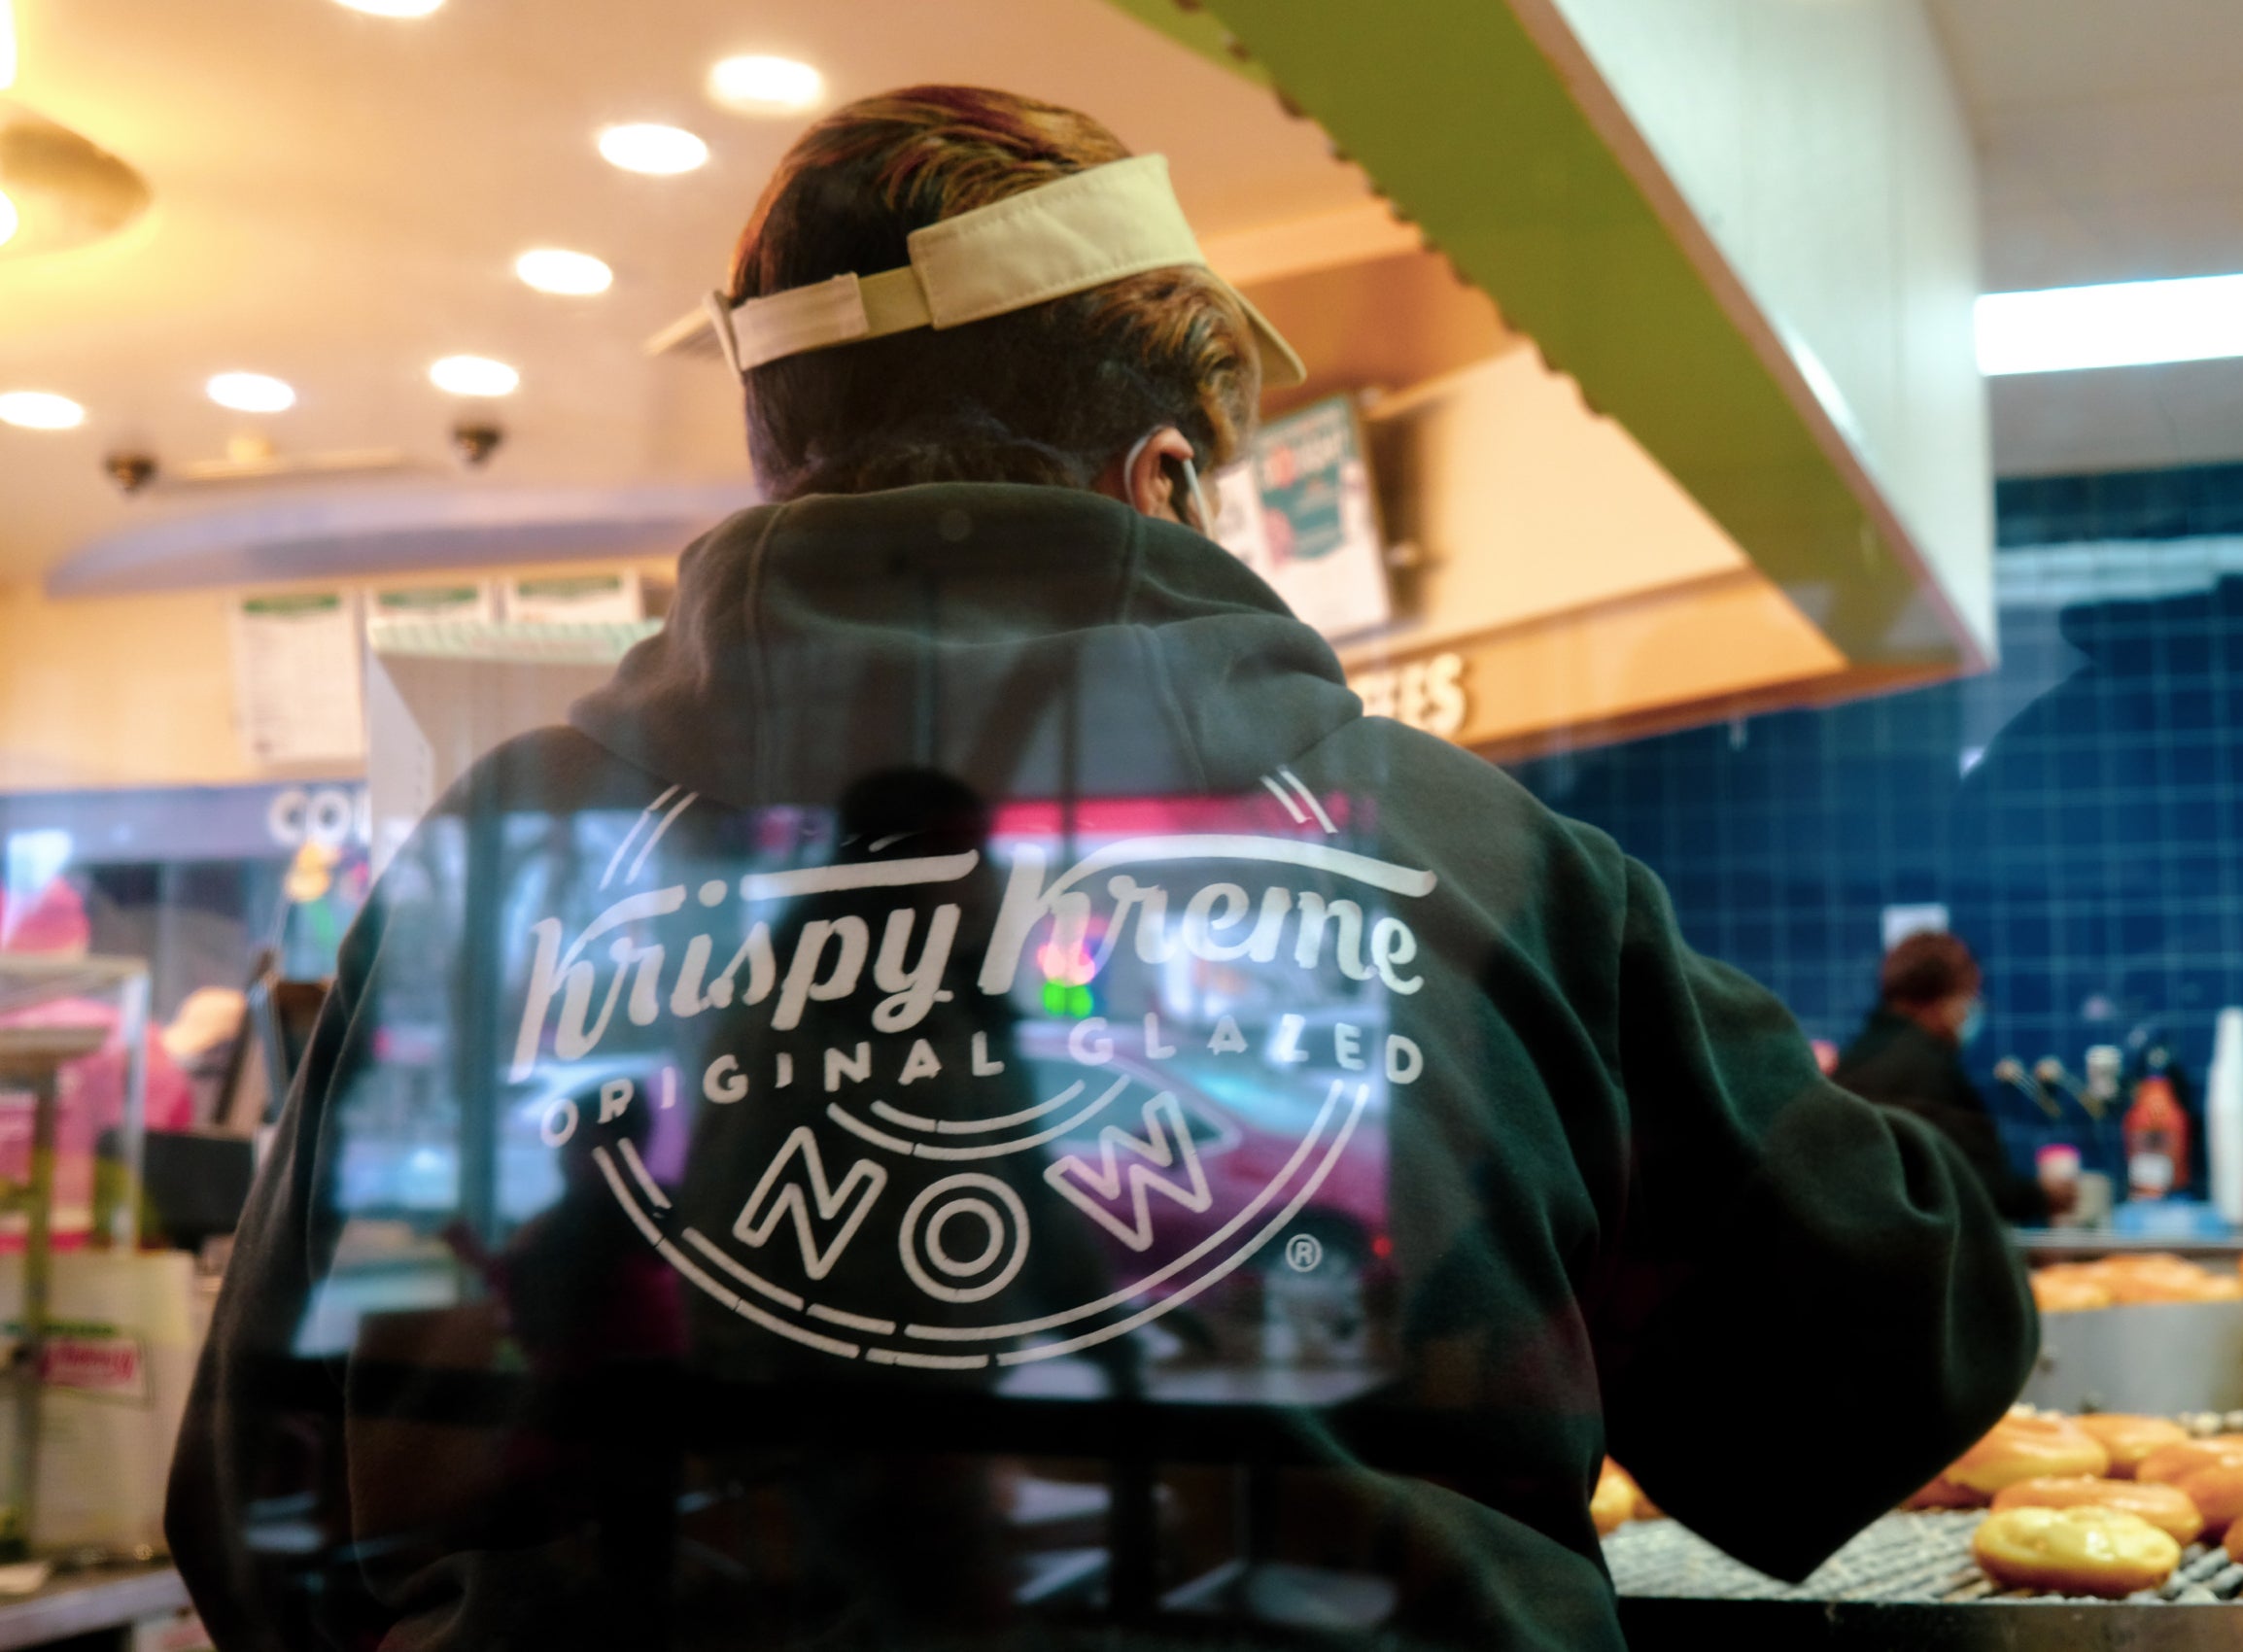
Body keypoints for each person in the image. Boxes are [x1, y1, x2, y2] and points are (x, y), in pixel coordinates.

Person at [168, 86, 2033, 1652]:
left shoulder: (493, 869)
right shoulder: (1479, 865)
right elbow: (1892, 1349)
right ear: (1161, 481)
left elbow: (254, 1523)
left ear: (778, 460)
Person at [1830, 931, 2048, 1223]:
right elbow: (1963, 1182)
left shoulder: (1859, 1057)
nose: (1974, 1008)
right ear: (1940, 999)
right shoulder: (1923, 1069)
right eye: (1970, 996)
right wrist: (2040, 1196)